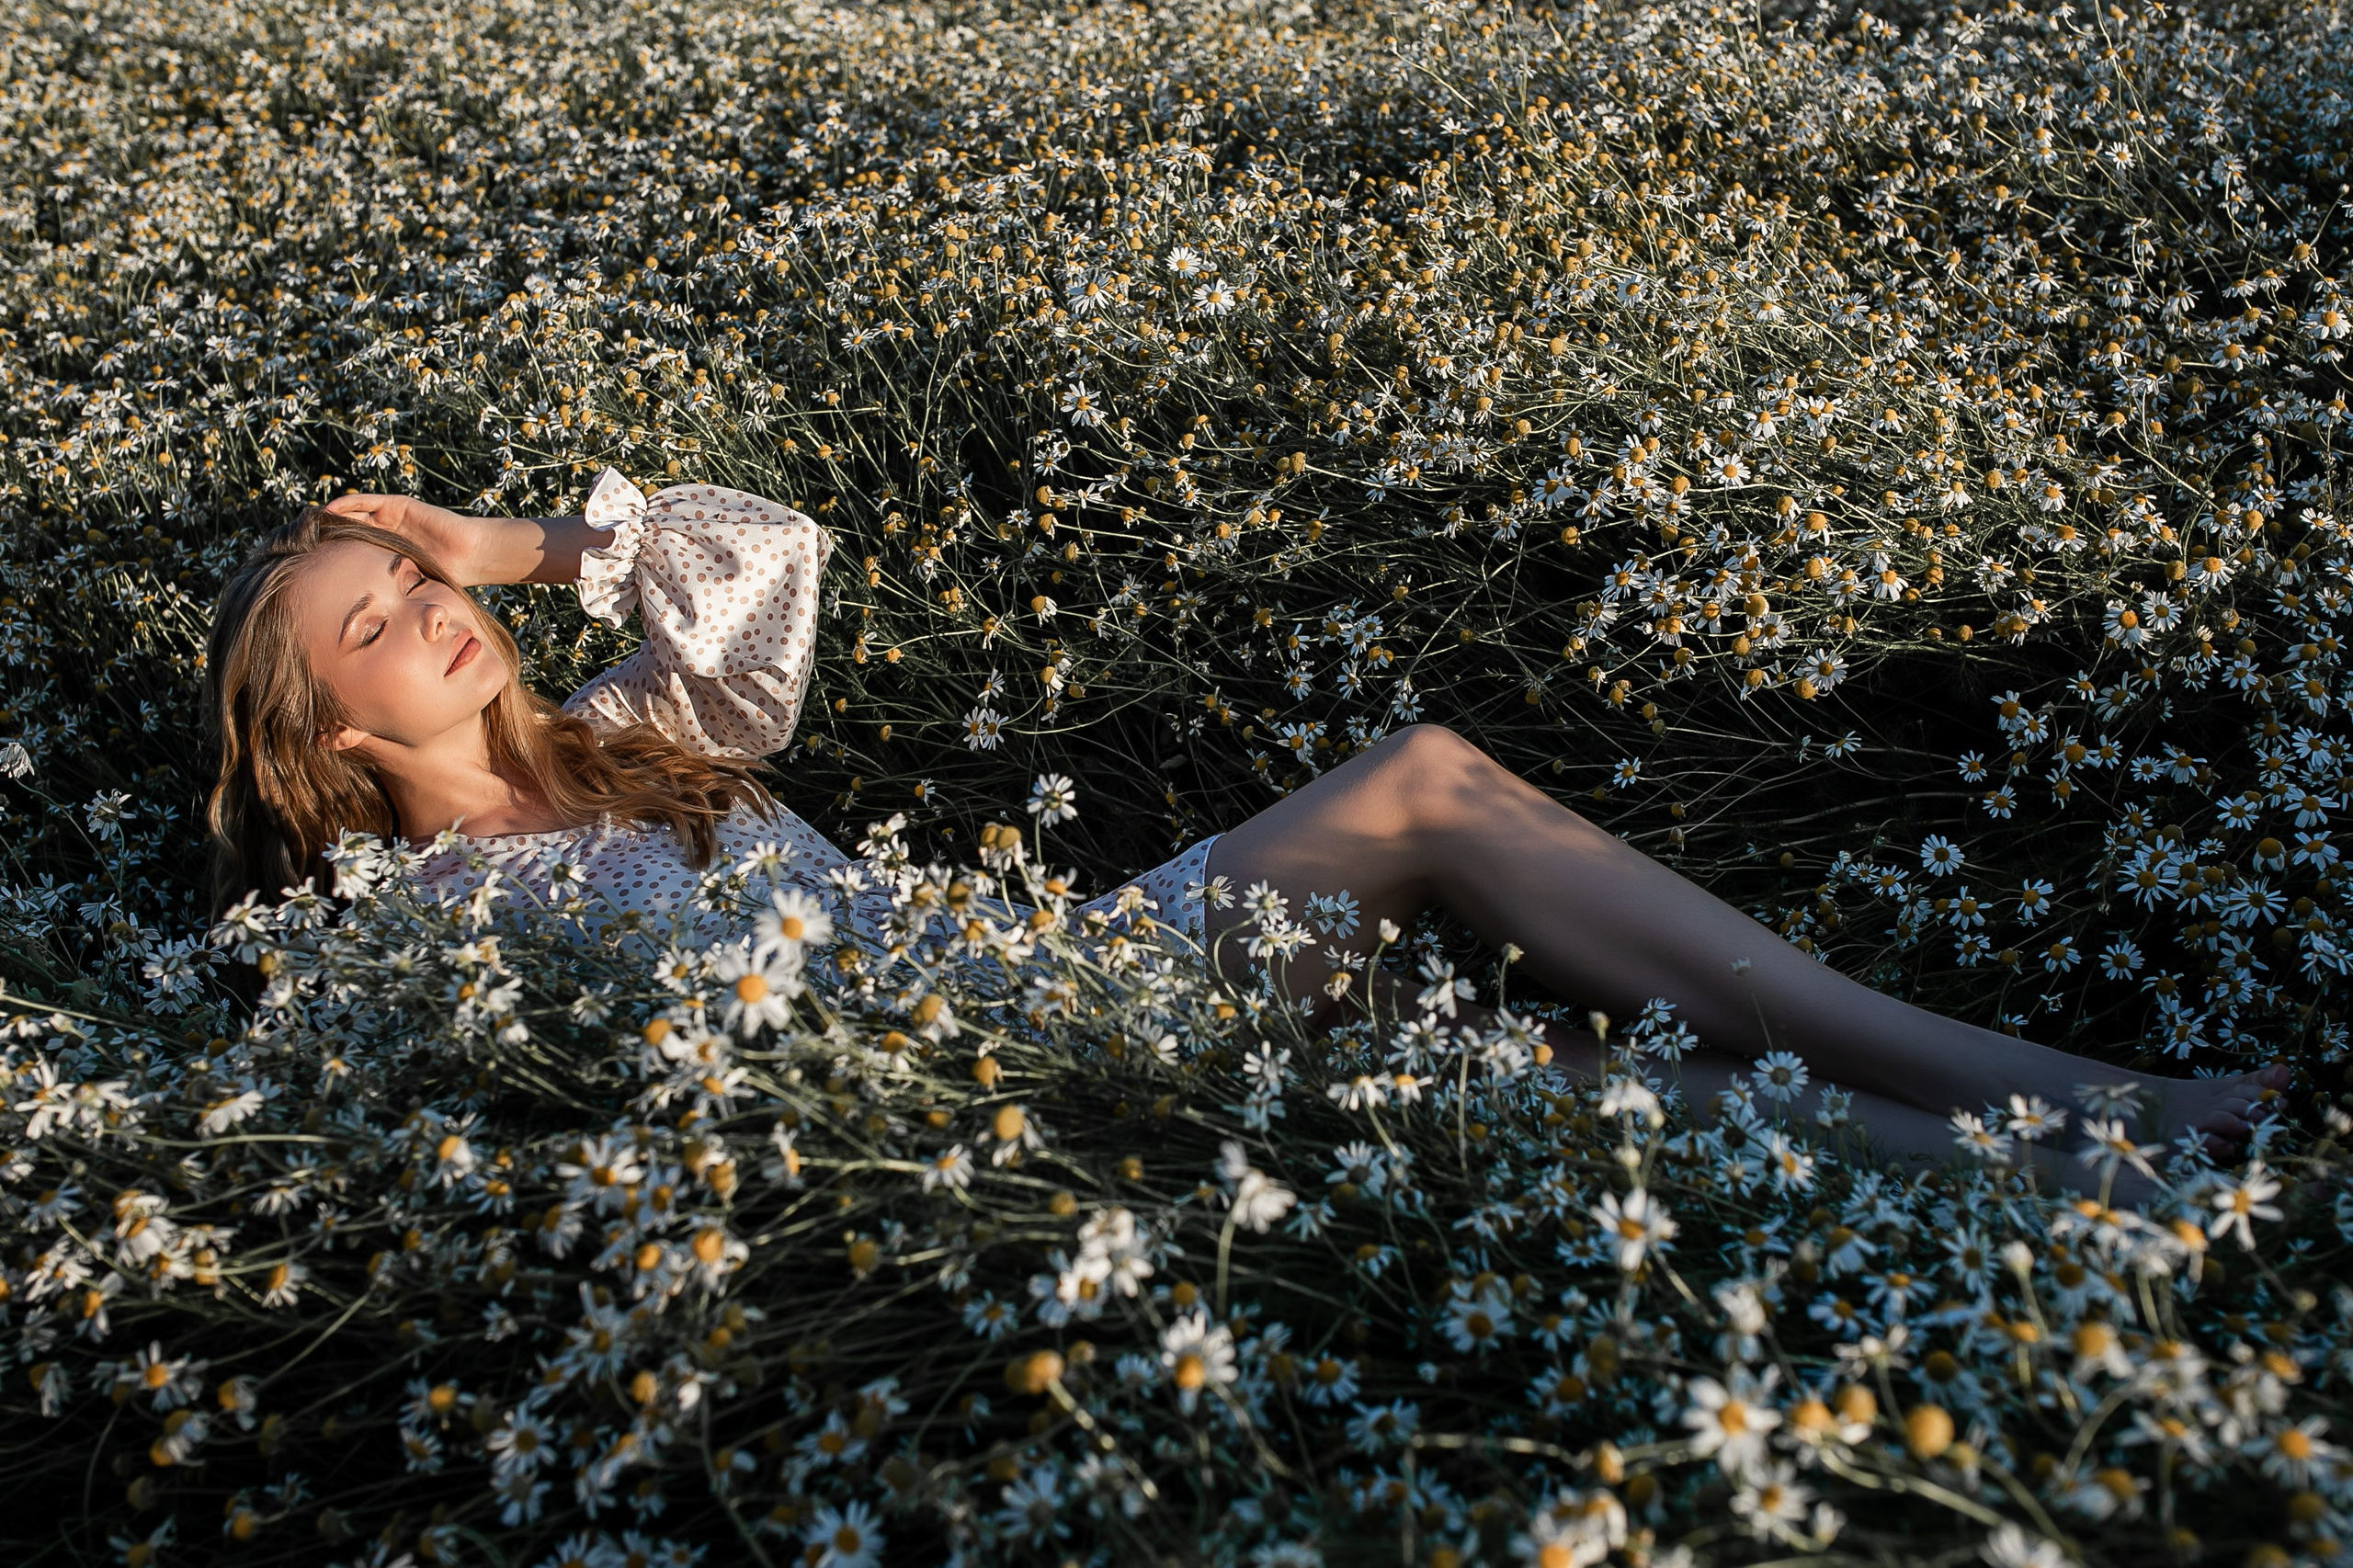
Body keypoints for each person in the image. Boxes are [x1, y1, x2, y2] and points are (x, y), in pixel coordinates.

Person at [204, 467, 2289, 1196]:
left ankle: (2101, 1165)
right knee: (1423, 789)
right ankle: (2092, 1113)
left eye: (417, 580)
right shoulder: (426, 927)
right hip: (994, 1078)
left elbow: (766, 560)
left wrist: (545, 538)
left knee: (1546, 1077)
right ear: (322, 738)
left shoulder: (627, 735)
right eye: (369, 628)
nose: (428, 617)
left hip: (1039, 993)